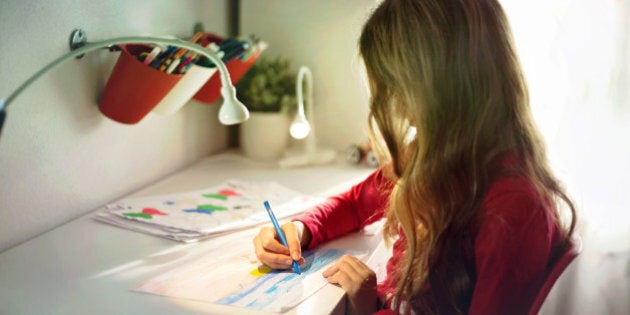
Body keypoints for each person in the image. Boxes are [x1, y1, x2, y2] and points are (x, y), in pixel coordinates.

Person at [253, 0, 577, 314]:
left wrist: (369, 309)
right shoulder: (438, 156)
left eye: (397, 90)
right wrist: (299, 230)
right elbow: (355, 203)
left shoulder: (511, 211)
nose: (403, 113)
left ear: (439, 88)